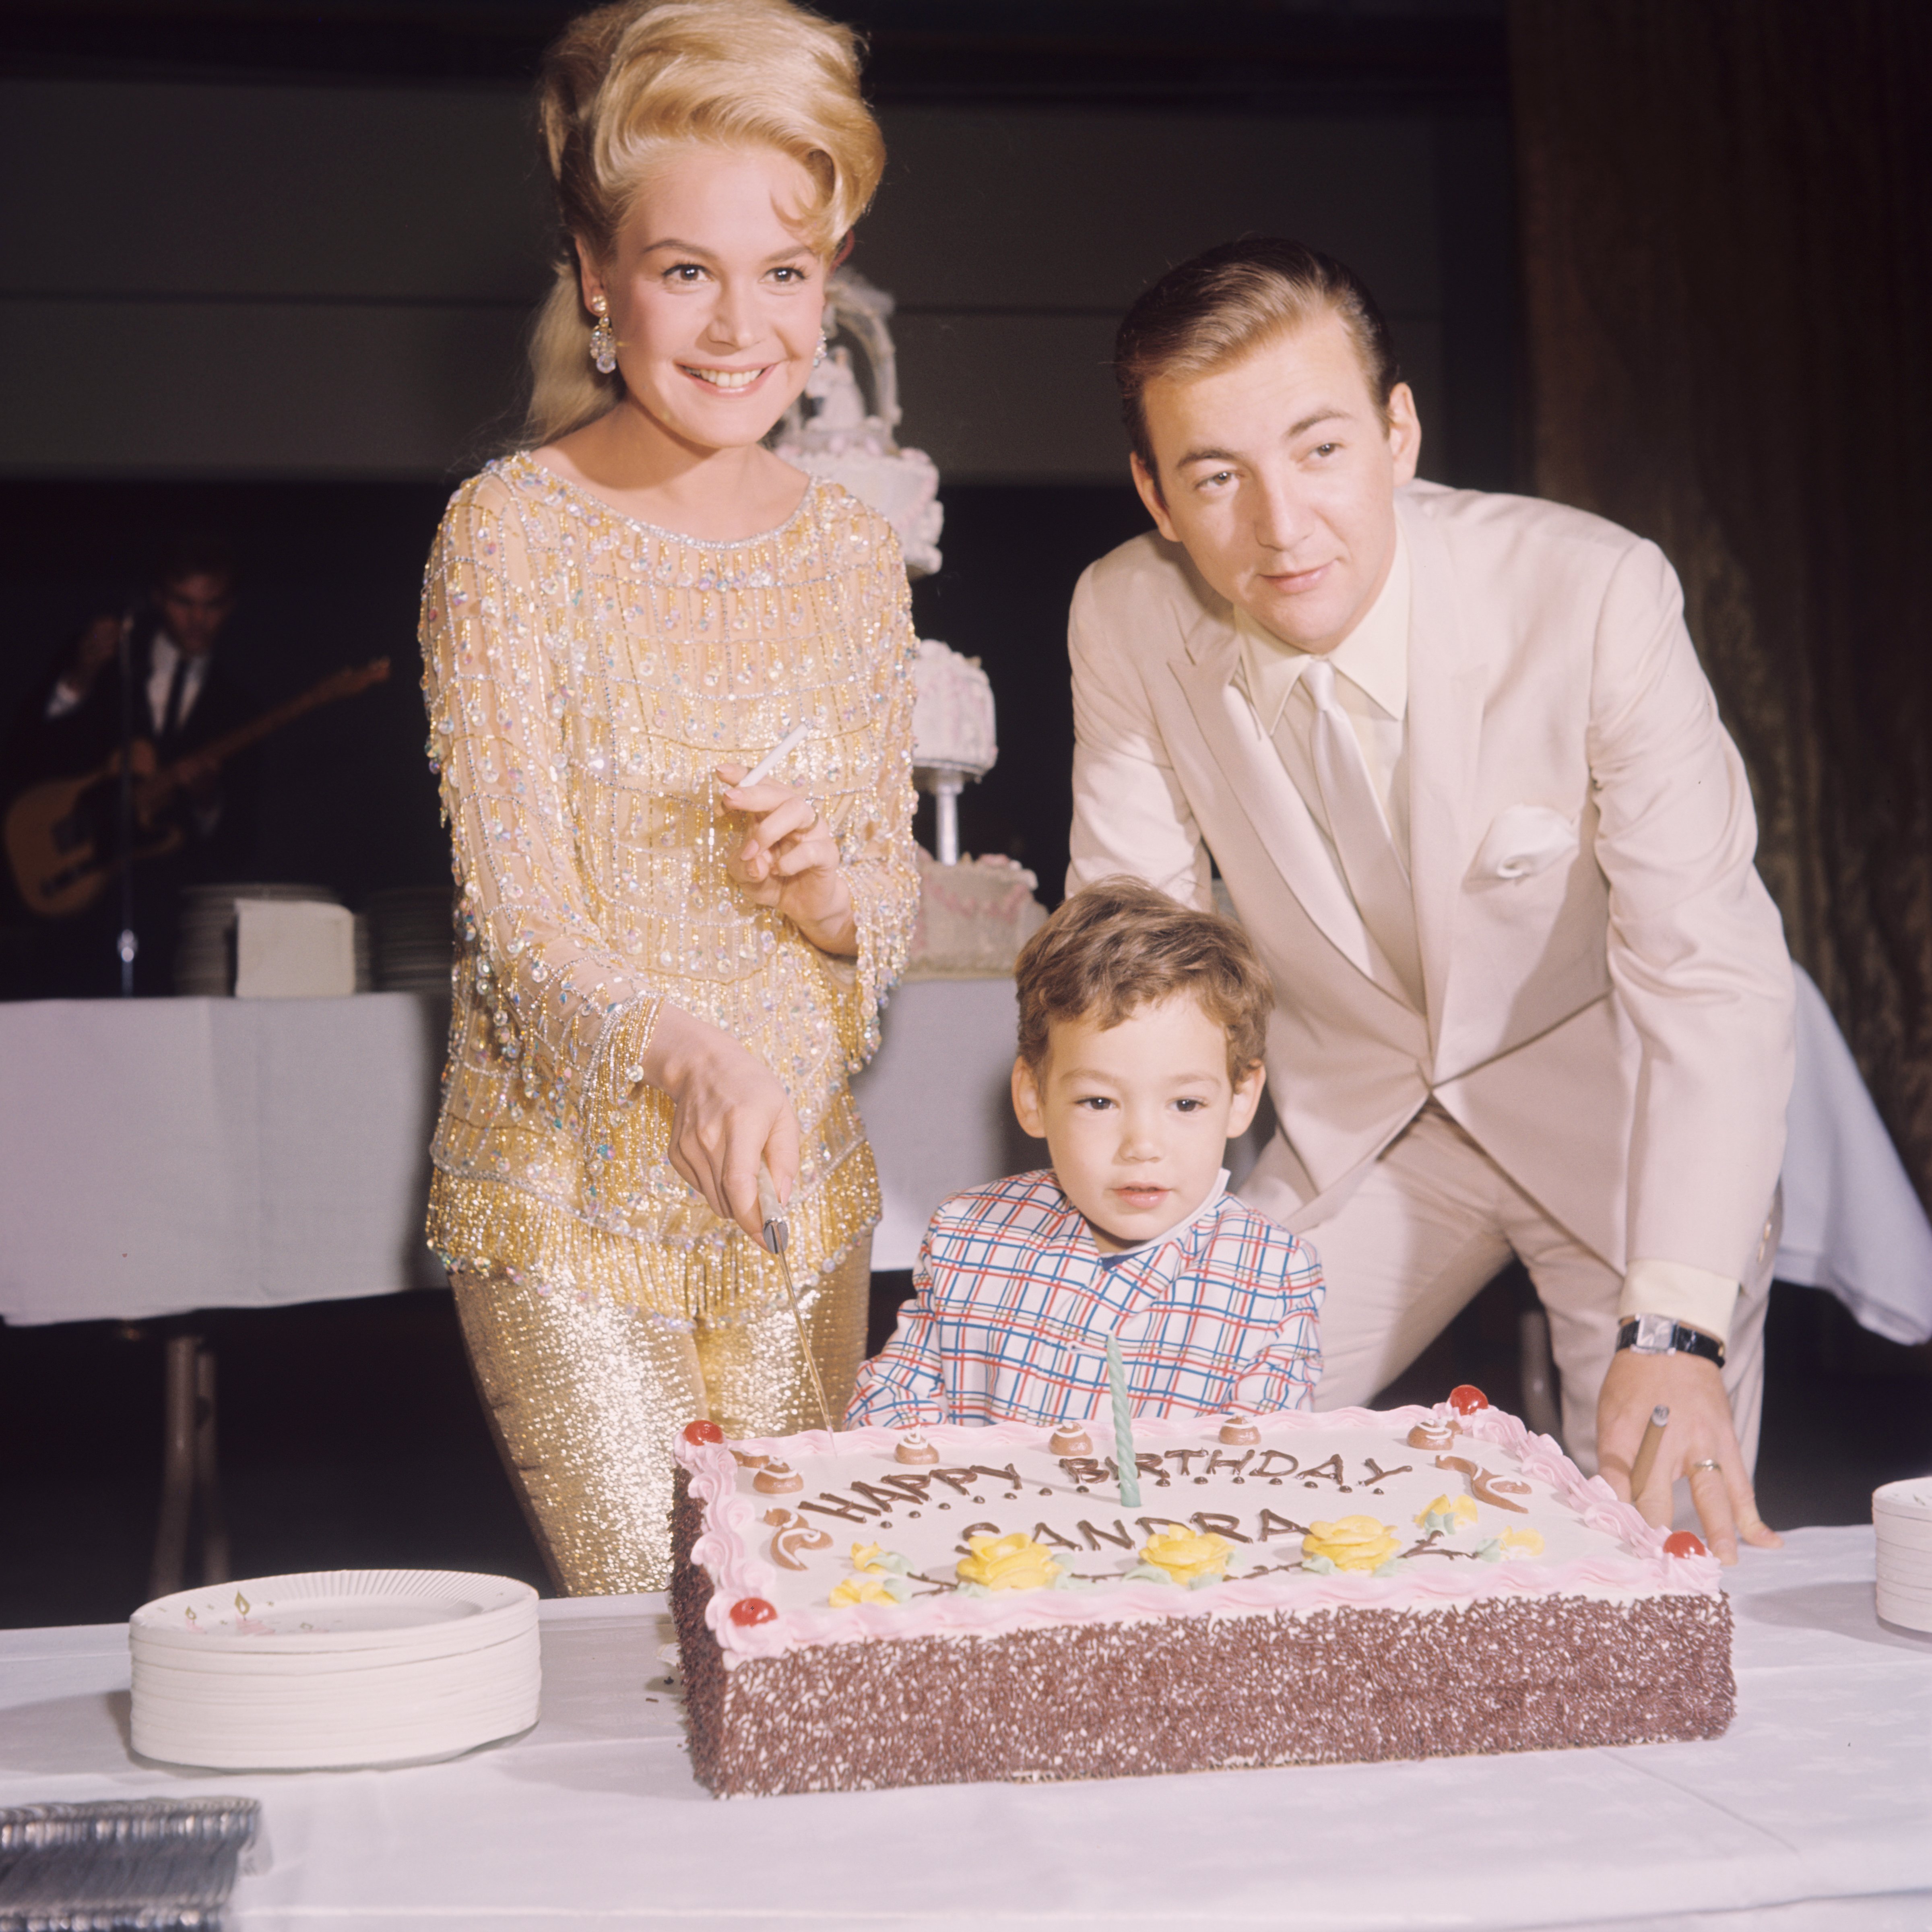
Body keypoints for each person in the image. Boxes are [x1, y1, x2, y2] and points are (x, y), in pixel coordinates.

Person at [1066, 239, 1794, 1563]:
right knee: (1153, 1464)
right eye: (1217, 476)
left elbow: (1710, 972)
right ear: (1156, 498)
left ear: (1399, 433)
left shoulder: (1592, 593)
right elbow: (1132, 974)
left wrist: (1678, 1326)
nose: (1283, 527)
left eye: (1321, 450)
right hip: (1367, 1134)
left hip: (1624, 1133)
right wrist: (1127, 1280)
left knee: (1660, 1549)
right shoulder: (1122, 617)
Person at [419, 0, 920, 1594]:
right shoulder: (509, 538)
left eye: (784, 272)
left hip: (798, 1203)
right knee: (652, 1633)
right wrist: (685, 1048)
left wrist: (839, 899)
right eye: (686, 268)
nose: (737, 325)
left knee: (796, 1627)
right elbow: (517, 918)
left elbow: (892, 886)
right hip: (565, 1207)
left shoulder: (849, 552)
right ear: (598, 273)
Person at [848, 877, 1323, 1429]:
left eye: (1186, 1104)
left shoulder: (1274, 1276)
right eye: (1099, 1102)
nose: (1143, 1146)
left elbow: (1262, 1466)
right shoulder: (969, 1236)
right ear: (1033, 1097)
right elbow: (891, 1405)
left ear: (1241, 1099)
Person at [2, 533, 255, 995]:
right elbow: (26, 751)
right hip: (75, 920)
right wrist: (79, 678)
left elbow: (242, 841)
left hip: (170, 933)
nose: (197, 619)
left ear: (232, 605)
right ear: (158, 597)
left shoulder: (237, 707)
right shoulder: (107, 665)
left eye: (212, 605)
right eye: (184, 603)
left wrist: (206, 802)